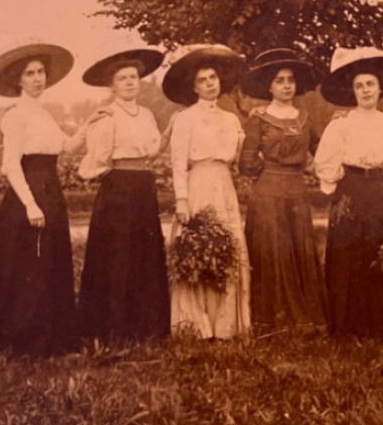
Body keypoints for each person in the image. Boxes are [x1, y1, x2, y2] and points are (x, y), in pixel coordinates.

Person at [0, 40, 96, 357]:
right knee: (28, 266)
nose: (37, 78)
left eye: (41, 72)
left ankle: (54, 335)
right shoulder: (16, 116)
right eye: (30, 73)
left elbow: (68, 147)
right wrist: (31, 204)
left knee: (51, 262)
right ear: (19, 80)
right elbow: (10, 165)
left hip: (51, 188)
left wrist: (92, 122)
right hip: (27, 192)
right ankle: (27, 338)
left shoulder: (44, 115)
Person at [314, 47, 383, 340]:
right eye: (359, 86)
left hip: (380, 193)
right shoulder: (341, 124)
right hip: (350, 193)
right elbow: (325, 163)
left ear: (380, 88)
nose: (365, 91)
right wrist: (339, 181)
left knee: (381, 255)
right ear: (353, 91)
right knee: (348, 257)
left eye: (370, 85)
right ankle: (351, 328)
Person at [77, 47, 170, 344]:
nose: (130, 82)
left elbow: (154, 148)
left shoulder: (146, 114)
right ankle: (114, 327)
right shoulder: (107, 115)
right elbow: (97, 161)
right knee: (118, 256)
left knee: (144, 253)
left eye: (134, 77)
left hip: (144, 186)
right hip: (118, 187)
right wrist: (113, 173)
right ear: (112, 85)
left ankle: (146, 326)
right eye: (123, 78)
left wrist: (169, 132)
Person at [161, 44, 250, 339]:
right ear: (194, 87)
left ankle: (226, 326)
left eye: (213, 78)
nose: (210, 84)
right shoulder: (185, 119)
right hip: (197, 183)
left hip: (223, 185)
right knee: (197, 247)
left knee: (226, 246)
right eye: (203, 80)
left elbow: (245, 158)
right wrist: (182, 200)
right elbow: (177, 163)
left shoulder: (231, 120)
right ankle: (196, 325)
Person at [238, 48, 328, 333]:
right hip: (268, 194)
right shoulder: (258, 118)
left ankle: (303, 319)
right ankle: (270, 320)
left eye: (290, 80)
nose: (287, 85)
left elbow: (323, 151)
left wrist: (343, 124)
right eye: (279, 80)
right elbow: (247, 163)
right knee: (272, 251)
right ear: (269, 86)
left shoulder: (304, 118)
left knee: (298, 248)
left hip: (297, 194)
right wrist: (269, 167)